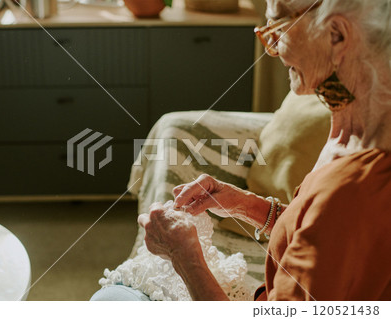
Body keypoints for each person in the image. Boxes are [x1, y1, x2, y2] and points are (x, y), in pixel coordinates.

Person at [136, 0, 391, 301]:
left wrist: (185, 257)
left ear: (336, 35)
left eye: (280, 27)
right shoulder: (352, 131)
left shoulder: (353, 188)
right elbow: (324, 237)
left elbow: (333, 220)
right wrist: (247, 205)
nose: (271, 47)